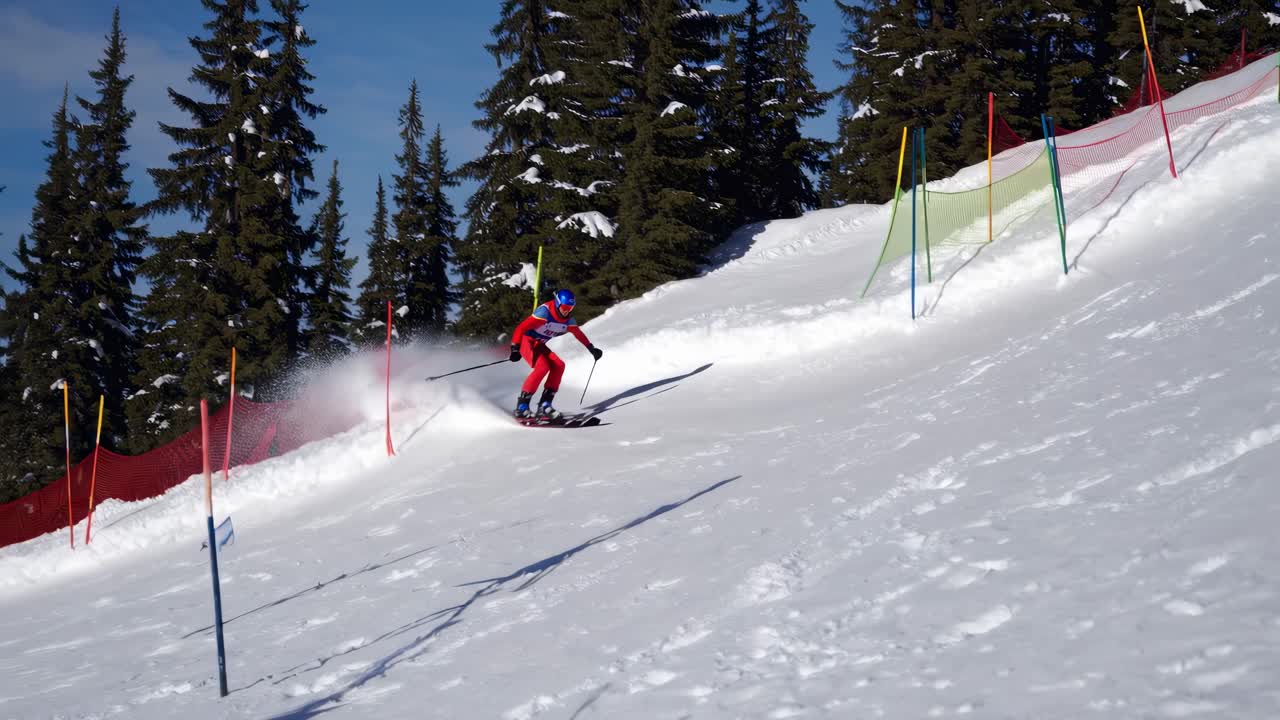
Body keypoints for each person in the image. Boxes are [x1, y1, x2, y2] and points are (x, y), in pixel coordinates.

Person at [508, 289, 603, 419]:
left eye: (570, 308)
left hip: (539, 344)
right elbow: (521, 328)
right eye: (564, 307)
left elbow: (578, 333)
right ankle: (522, 407)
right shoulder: (545, 313)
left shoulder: (568, 320)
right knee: (543, 367)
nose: (566, 311)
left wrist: (591, 348)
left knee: (559, 365)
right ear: (558, 303)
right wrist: (515, 348)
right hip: (527, 340)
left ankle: (545, 405)